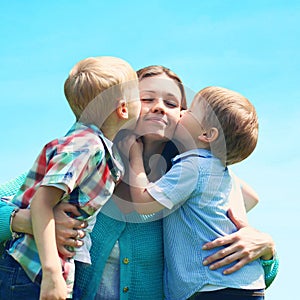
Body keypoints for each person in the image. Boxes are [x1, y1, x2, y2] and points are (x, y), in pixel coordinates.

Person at [0, 66, 278, 300]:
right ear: (124, 107)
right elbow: (24, 204)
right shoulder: (82, 165)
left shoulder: (186, 180)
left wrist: (267, 250)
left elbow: (242, 272)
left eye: (172, 103)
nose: (159, 107)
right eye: (147, 99)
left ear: (184, 119)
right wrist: (27, 222)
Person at [0, 56, 141, 299]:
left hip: (44, 271)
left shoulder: (98, 149)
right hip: (29, 270)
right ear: (123, 108)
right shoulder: (85, 146)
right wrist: (52, 271)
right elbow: (42, 202)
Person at [122, 86, 268, 299]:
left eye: (189, 111)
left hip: (212, 286)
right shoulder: (217, 169)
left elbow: (145, 201)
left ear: (207, 135)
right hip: (246, 283)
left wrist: (134, 155)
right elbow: (252, 198)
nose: (181, 113)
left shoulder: (192, 166)